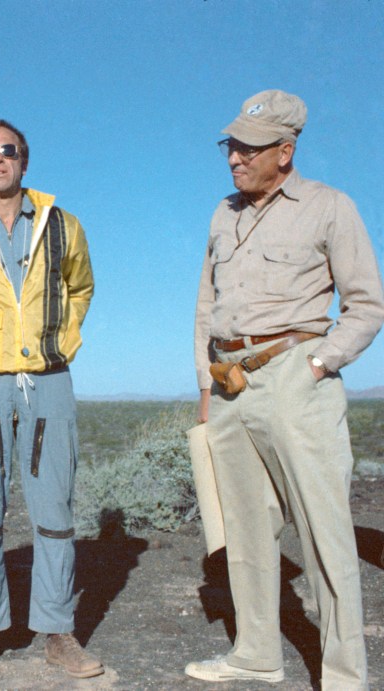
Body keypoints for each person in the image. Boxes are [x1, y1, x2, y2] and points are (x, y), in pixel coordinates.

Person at [190, 89, 384, 688]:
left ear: (286, 150)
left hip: (294, 380)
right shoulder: (224, 213)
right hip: (229, 386)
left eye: (248, 149)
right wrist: (206, 385)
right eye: (231, 147)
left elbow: (366, 304)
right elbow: (207, 306)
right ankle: (256, 654)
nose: (234, 159)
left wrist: (319, 365)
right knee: (245, 533)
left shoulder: (329, 207)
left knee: (324, 533)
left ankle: (346, 675)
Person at [0, 119, 101, 683]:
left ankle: (57, 631)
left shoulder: (62, 225)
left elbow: (80, 287)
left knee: (53, 503)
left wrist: (62, 337)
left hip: (48, 375)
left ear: (24, 161)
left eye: (8, 151)